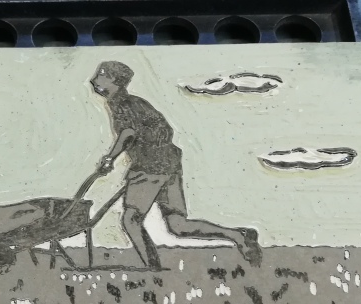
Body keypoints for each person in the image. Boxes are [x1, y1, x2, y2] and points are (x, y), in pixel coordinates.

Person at [89, 61, 262, 268]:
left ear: (115, 81)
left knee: (131, 219)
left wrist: (110, 159)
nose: (94, 79)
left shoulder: (123, 103)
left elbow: (128, 132)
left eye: (101, 75)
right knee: (177, 225)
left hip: (150, 165)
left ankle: (152, 269)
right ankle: (239, 236)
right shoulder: (134, 103)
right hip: (168, 163)